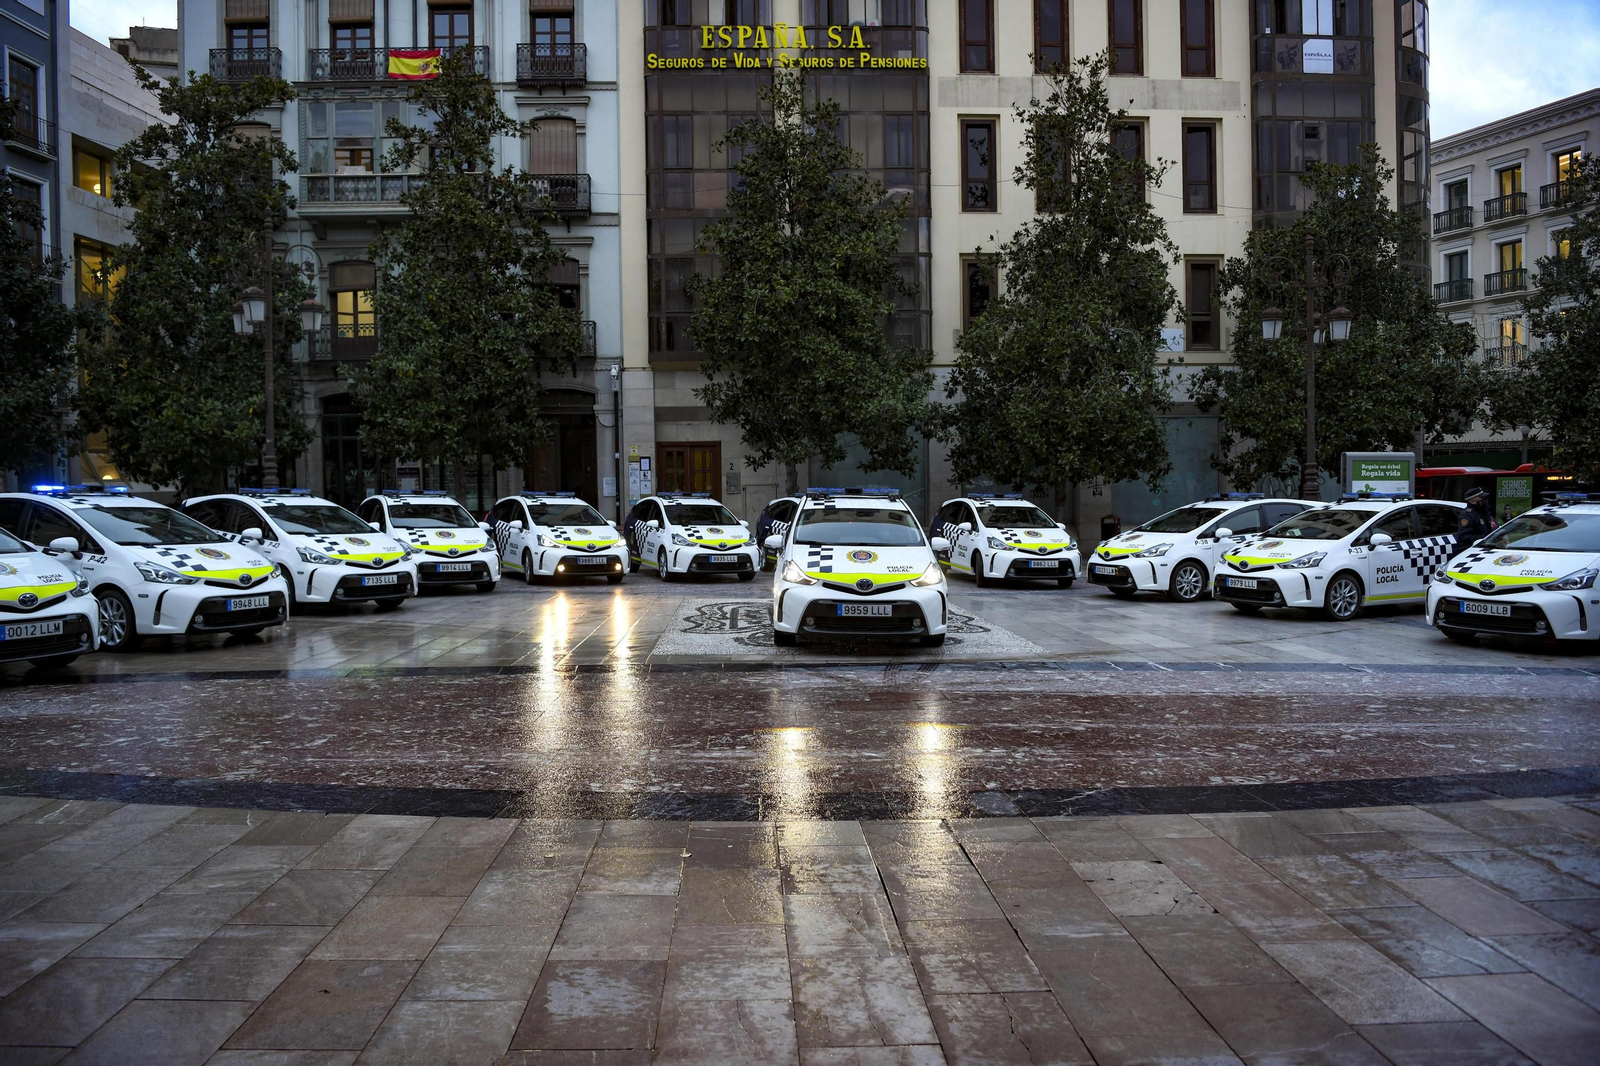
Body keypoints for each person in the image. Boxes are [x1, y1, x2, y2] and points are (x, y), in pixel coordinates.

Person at [1454, 488, 1498, 555]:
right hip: (1471, 552)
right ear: (1473, 501)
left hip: (1486, 549)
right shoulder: (1467, 515)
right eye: (1481, 498)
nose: (1484, 500)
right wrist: (1485, 538)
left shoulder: (1484, 512)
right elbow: (1463, 536)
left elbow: (1493, 526)